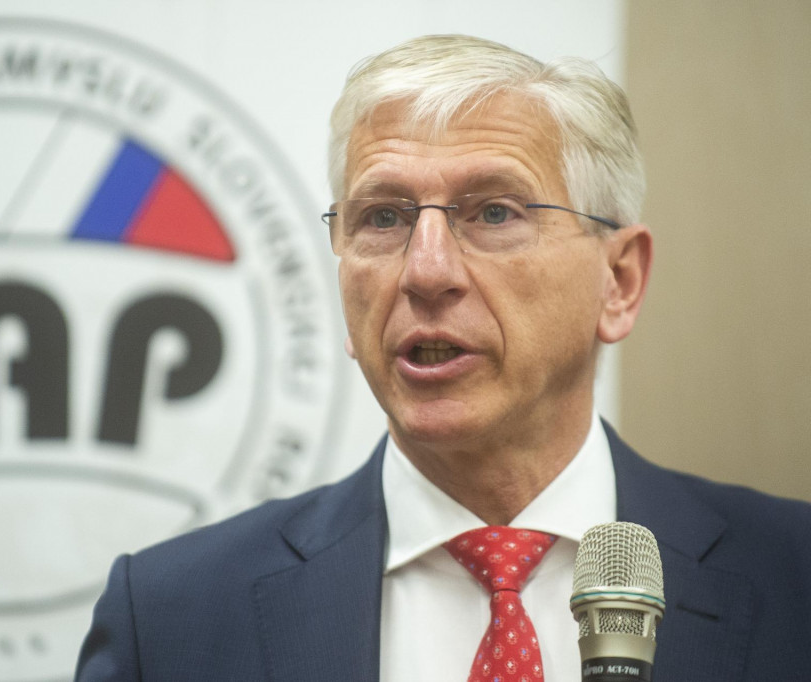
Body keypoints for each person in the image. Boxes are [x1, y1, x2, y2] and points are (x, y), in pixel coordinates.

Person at [75, 35, 811, 681]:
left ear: (618, 282)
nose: (425, 272)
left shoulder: (794, 581)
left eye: (495, 212)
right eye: (383, 217)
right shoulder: (173, 619)